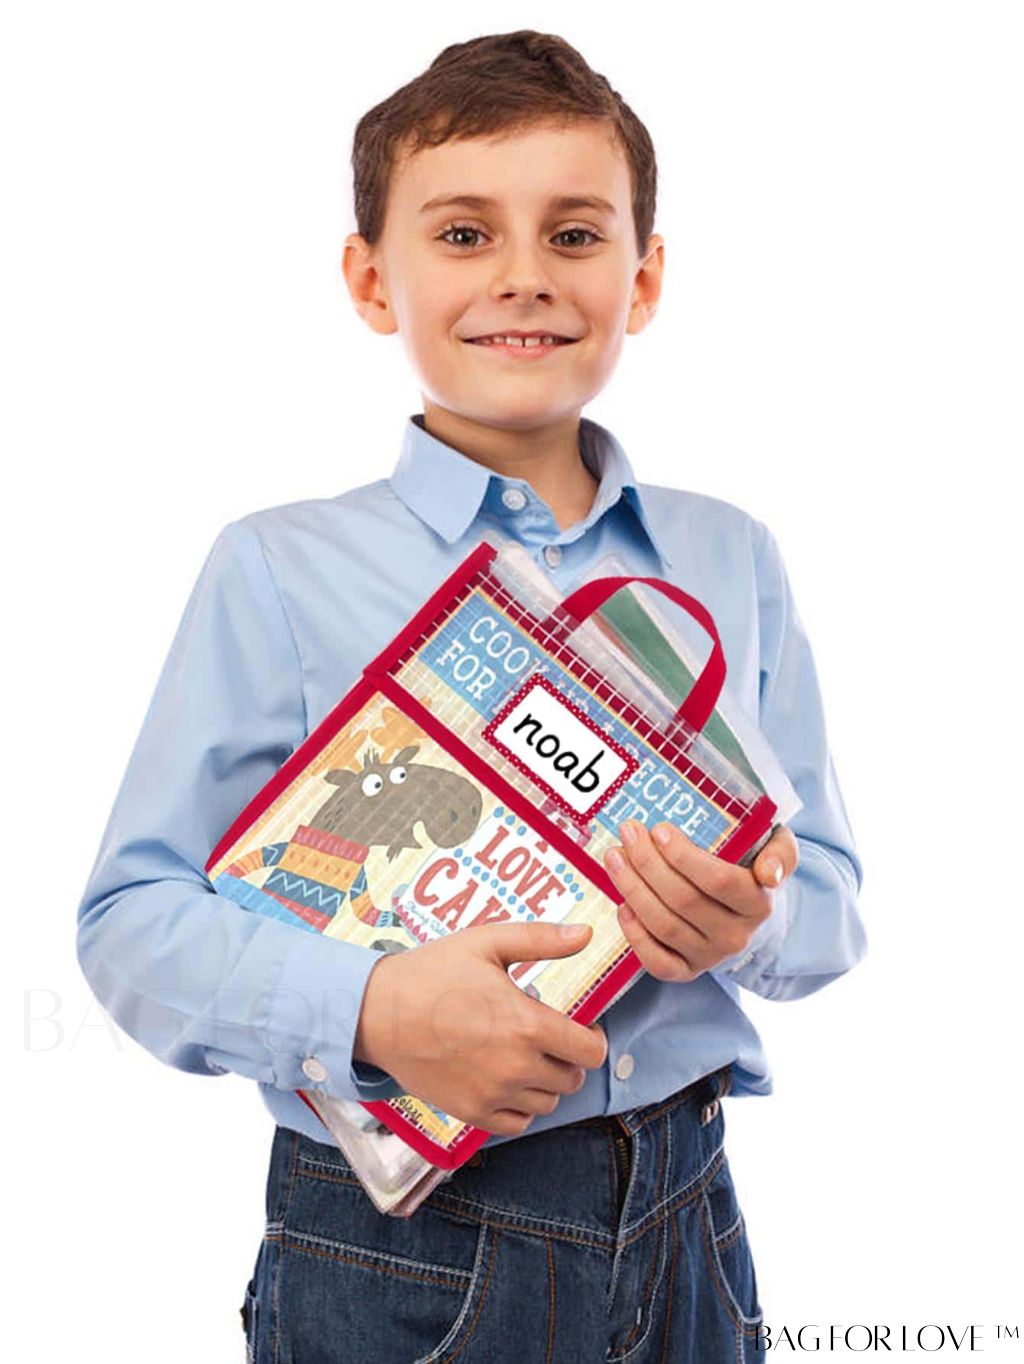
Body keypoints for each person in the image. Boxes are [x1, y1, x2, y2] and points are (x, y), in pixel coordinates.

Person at [75, 28, 867, 1363]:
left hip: (690, 1214)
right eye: (462, 234)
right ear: (370, 280)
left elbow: (831, 904)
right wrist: (376, 1011)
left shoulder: (731, 556)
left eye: (575, 235)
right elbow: (129, 926)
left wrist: (750, 918)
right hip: (405, 1248)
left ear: (643, 277)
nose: (523, 276)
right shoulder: (279, 569)